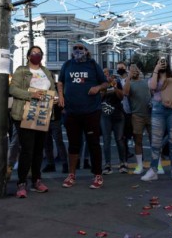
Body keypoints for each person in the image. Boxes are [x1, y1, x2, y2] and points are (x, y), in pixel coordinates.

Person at [57, 42, 108, 189]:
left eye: (81, 48)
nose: (78, 50)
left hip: (91, 111)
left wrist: (97, 87)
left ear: (86, 51)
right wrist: (61, 96)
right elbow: (60, 81)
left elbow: (105, 83)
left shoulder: (92, 65)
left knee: (93, 143)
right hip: (71, 112)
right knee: (73, 144)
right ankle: (71, 175)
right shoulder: (67, 65)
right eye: (75, 48)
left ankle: (97, 175)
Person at [9, 46, 56, 198]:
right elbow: (13, 89)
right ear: (29, 56)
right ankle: (21, 183)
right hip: (25, 112)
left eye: (40, 53)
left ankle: (37, 180)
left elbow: (52, 88)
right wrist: (31, 95)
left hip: (43, 112)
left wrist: (53, 98)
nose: (37, 55)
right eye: (34, 53)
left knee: (38, 150)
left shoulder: (46, 71)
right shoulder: (21, 70)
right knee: (27, 150)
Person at [141, 57, 172, 182]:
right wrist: (156, 69)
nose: (162, 64)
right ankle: (153, 170)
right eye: (159, 62)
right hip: (158, 109)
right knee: (155, 141)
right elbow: (153, 86)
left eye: (164, 62)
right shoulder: (153, 78)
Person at [123, 64, 152, 175]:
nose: (134, 71)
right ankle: (139, 165)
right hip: (137, 116)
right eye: (131, 69)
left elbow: (153, 94)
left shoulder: (146, 82)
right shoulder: (129, 83)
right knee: (138, 141)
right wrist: (129, 77)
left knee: (154, 140)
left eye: (136, 69)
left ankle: (157, 164)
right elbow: (125, 93)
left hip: (150, 114)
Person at [100, 69, 127, 174]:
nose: (107, 75)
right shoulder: (100, 84)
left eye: (108, 73)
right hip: (105, 115)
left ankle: (122, 163)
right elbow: (99, 98)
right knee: (106, 140)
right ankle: (107, 165)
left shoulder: (117, 83)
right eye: (104, 73)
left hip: (118, 114)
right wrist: (104, 87)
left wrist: (115, 87)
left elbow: (122, 96)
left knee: (119, 139)